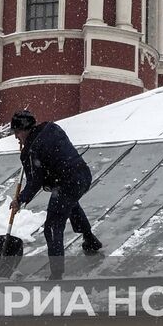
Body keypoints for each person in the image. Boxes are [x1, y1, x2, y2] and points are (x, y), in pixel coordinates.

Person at [9, 108, 103, 279]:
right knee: (71, 204)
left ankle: (56, 273)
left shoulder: (31, 151)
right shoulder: (52, 128)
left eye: (16, 132)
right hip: (83, 176)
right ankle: (90, 240)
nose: (16, 137)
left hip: (65, 184)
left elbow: (34, 182)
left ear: (24, 129)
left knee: (52, 227)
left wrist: (20, 199)